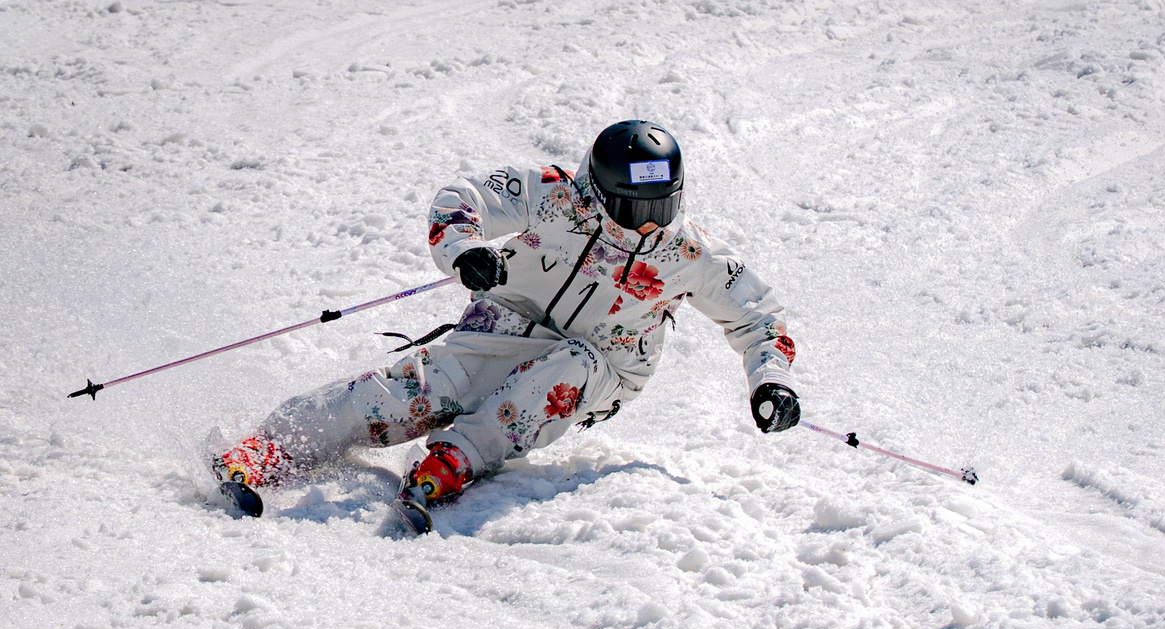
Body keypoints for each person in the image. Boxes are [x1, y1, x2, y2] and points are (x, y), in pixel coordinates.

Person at [212, 119, 800, 528]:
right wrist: (464, 249)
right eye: (632, 208)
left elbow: (759, 318)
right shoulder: (553, 195)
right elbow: (461, 196)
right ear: (597, 187)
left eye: (660, 207)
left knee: (566, 372)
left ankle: (459, 457)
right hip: (504, 324)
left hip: (604, 363)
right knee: (411, 392)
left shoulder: (687, 252)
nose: (646, 226)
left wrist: (771, 381)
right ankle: (272, 448)